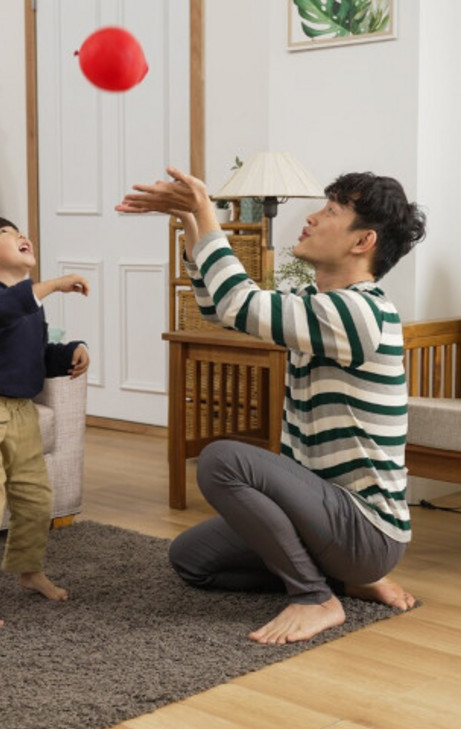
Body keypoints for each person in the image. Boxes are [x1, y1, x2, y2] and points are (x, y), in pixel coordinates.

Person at [117, 167, 425, 644]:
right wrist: (189, 221)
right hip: (322, 519)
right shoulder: (315, 303)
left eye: (330, 211)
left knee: (222, 460)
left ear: (362, 241)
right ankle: (344, 582)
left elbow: (239, 302)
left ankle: (314, 597)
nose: (312, 218)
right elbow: (220, 307)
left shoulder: (360, 312)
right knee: (191, 559)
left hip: (365, 528)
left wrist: (203, 209)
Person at [0, 216, 90, 629]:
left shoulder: (28, 306)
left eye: (18, 230)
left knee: (36, 500)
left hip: (21, 414)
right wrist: (53, 285)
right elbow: (6, 309)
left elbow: (35, 355)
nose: (20, 235)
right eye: (4, 234)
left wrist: (71, 352)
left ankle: (29, 571)